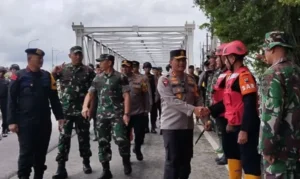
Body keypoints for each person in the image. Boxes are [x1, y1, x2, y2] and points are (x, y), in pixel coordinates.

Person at [201, 41, 261, 179]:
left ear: (232, 58)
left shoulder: (245, 76)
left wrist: (244, 130)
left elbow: (249, 104)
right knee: (233, 157)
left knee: (250, 165)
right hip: (232, 126)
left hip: (245, 128)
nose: (223, 60)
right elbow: (228, 102)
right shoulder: (231, 76)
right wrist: (209, 110)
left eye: (225, 57)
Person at [7, 48, 64, 179]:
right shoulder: (18, 76)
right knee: (26, 154)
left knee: (41, 154)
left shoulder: (47, 76)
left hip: (43, 122)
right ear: (29, 59)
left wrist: (60, 117)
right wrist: (12, 121)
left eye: (42, 59)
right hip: (25, 122)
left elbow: (54, 98)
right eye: (39, 59)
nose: (41, 61)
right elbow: (11, 100)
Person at [157, 49, 207, 179]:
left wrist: (205, 118)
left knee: (186, 162)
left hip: (187, 127)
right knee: (172, 162)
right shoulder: (164, 80)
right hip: (171, 127)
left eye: (183, 60)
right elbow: (172, 101)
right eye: (178, 60)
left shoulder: (191, 79)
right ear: (171, 62)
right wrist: (193, 110)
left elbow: (198, 98)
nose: (181, 63)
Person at [82, 54, 132, 179]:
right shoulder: (97, 78)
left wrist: (126, 114)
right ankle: (106, 170)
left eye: (102, 61)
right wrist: (85, 106)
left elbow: (126, 96)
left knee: (121, 140)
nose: (99, 64)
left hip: (117, 115)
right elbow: (90, 93)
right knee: (103, 142)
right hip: (101, 116)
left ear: (109, 63)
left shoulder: (120, 77)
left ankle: (126, 161)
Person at [259, 31, 300, 179]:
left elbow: (271, 113)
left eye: (265, 49)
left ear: (273, 48)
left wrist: (266, 148)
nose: (265, 53)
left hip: (280, 152)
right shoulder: (296, 71)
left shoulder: (273, 74)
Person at [52, 46, 95, 179]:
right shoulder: (63, 69)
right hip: (66, 111)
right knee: (64, 138)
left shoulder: (88, 71)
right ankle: (61, 168)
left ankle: (86, 162)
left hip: (82, 111)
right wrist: (53, 73)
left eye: (79, 54)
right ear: (69, 55)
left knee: (84, 138)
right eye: (75, 54)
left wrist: (91, 110)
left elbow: (93, 92)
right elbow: (50, 83)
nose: (78, 56)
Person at [122, 60, 150, 161]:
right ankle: (127, 158)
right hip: (124, 114)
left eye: (127, 67)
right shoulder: (118, 79)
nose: (125, 68)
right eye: (123, 67)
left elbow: (146, 94)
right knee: (125, 137)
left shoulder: (141, 79)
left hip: (138, 112)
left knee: (140, 134)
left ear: (132, 68)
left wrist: (147, 109)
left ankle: (137, 149)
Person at [210, 43, 229, 165]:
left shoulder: (229, 73)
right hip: (219, 109)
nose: (216, 60)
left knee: (226, 134)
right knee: (222, 133)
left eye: (218, 57)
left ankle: (227, 155)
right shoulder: (221, 72)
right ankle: (226, 154)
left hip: (225, 110)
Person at [143, 62, 156, 133]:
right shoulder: (142, 77)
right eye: (145, 68)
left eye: (148, 68)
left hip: (153, 97)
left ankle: (153, 127)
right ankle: (146, 127)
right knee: (145, 113)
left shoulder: (153, 77)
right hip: (145, 97)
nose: (147, 69)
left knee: (153, 113)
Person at [0, 66, 9, 137]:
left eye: (1, 72)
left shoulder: (6, 80)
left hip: (4, 99)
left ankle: (5, 129)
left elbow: (15, 79)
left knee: (5, 114)